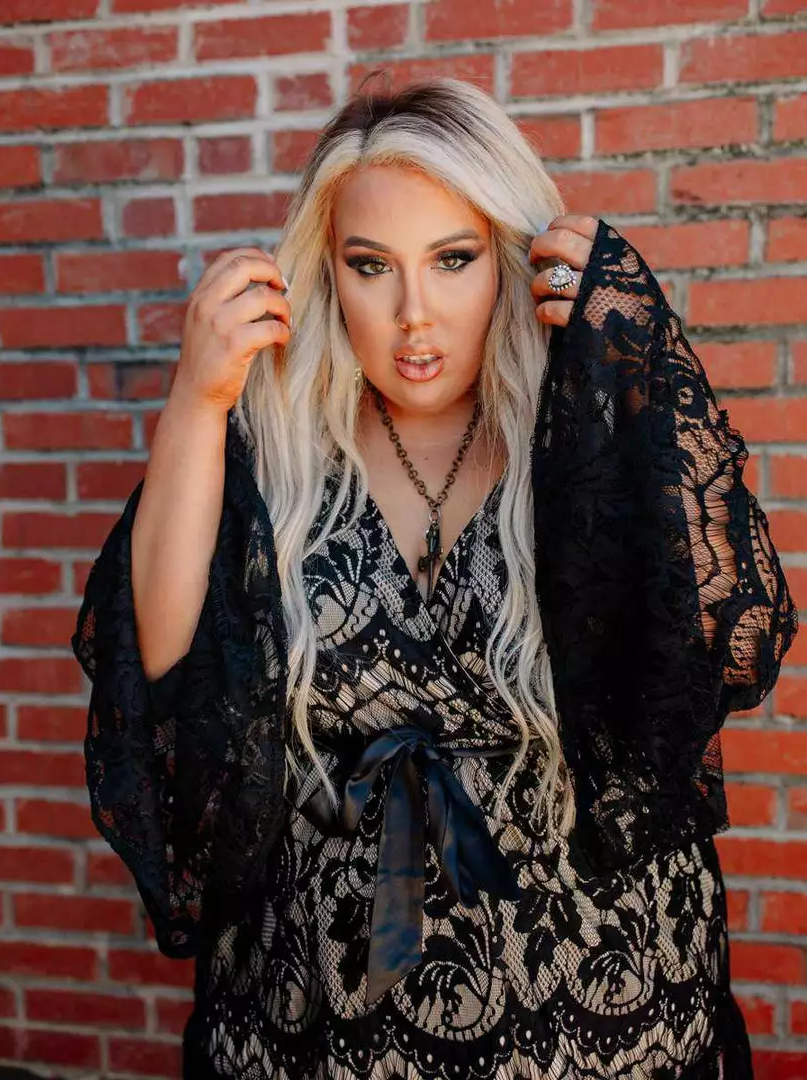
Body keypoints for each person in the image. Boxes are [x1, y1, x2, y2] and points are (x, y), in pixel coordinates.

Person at [72, 78, 798, 1080]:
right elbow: (159, 657)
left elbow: (720, 648)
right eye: (371, 266)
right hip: (323, 1010)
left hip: (597, 998)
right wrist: (196, 399)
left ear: (505, 254)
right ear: (327, 271)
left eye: (453, 260)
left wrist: (643, 370)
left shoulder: (575, 425)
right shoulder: (279, 439)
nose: (414, 316)